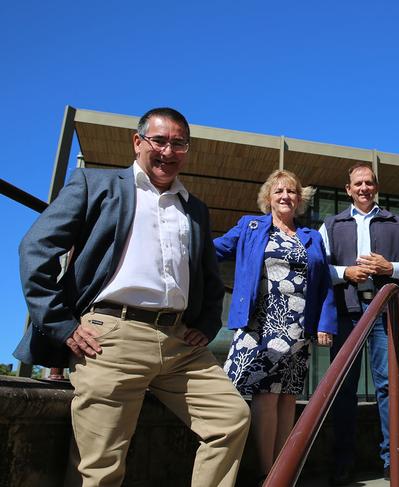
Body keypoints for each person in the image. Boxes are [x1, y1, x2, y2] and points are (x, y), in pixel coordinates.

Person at [14, 107, 250, 487]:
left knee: (231, 418)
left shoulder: (195, 209)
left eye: (179, 143)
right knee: (100, 465)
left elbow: (208, 275)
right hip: (110, 337)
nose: (168, 151)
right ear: (138, 142)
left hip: (180, 345)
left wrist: (207, 324)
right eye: (159, 141)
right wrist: (60, 323)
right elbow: (36, 248)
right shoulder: (95, 184)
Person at [214, 169, 337, 483]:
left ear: (299, 199)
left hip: (298, 327)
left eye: (292, 191)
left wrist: (325, 322)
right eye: (279, 191)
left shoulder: (310, 236)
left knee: (286, 398)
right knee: (265, 395)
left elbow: (323, 283)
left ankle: (284, 472)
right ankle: (267, 473)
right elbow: (211, 250)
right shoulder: (251, 227)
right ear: (268, 197)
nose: (286, 196)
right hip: (261, 324)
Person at [319, 163, 399, 485]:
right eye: (357, 184)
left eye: (369, 182)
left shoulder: (396, 222)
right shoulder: (332, 224)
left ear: (375, 187)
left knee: (388, 386)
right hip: (347, 313)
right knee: (344, 389)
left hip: (384, 313)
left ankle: (392, 461)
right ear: (348, 189)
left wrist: (388, 266)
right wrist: (345, 273)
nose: (364, 188)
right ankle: (343, 462)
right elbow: (319, 267)